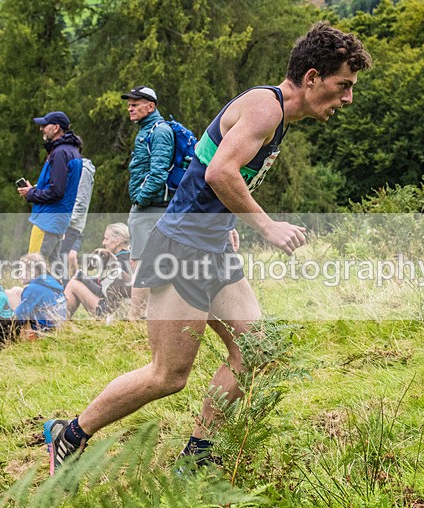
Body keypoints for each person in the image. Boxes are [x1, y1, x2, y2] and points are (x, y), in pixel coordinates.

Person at [44, 22, 372, 473]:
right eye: (343, 86)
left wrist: (227, 221)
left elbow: (207, 165)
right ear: (312, 77)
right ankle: (71, 433)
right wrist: (265, 225)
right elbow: (220, 172)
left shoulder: (275, 115)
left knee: (256, 348)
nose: (348, 98)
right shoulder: (266, 108)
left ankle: (197, 457)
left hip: (212, 247)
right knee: (167, 375)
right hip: (180, 247)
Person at [120, 86, 173, 320]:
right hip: (147, 207)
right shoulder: (145, 130)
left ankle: (135, 318)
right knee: (142, 262)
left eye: (135, 103)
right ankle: (147, 316)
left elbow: (158, 172)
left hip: (150, 208)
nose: (130, 107)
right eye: (129, 103)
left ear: (150, 106)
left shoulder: (159, 131)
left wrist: (140, 201)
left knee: (141, 264)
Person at [17, 111, 83, 269]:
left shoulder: (60, 153)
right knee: (54, 269)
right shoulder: (71, 151)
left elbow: (57, 192)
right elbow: (59, 187)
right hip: (57, 220)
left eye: (44, 125)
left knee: (32, 268)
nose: (41, 129)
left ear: (56, 128)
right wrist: (35, 189)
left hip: (47, 221)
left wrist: (31, 193)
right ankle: (61, 294)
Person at [63, 223, 131, 320]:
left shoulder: (119, 262)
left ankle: (59, 321)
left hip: (112, 313)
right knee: (78, 280)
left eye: (106, 239)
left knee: (74, 284)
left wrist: (82, 278)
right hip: (123, 311)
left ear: (118, 240)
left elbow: (103, 292)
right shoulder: (129, 257)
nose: (103, 242)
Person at [11, 253, 68, 334]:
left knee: (10, 294)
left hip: (44, 334)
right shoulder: (51, 280)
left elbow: (18, 317)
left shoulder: (33, 289)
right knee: (16, 290)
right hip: (60, 328)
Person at [58, 158, 96, 280]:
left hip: (71, 224)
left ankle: (70, 289)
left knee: (62, 258)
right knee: (59, 258)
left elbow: (81, 203)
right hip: (61, 221)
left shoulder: (84, 171)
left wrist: (64, 223)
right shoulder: (66, 169)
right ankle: (70, 288)